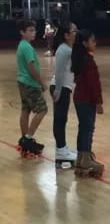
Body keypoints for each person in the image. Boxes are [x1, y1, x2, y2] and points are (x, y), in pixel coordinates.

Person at [71, 29, 104, 177]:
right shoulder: (88, 61)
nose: (95, 43)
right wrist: (98, 102)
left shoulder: (79, 59)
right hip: (86, 99)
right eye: (92, 40)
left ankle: (81, 158)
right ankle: (85, 160)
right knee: (88, 129)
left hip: (79, 98)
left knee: (83, 128)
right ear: (85, 43)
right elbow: (93, 84)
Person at [16, 19, 48, 156]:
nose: (33, 33)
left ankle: (24, 139)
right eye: (30, 30)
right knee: (42, 109)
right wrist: (41, 83)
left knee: (26, 109)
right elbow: (32, 68)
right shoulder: (27, 47)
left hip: (22, 82)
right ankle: (28, 139)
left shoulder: (22, 45)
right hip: (30, 83)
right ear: (22, 32)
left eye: (34, 30)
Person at [50, 21, 78, 166]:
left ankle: (63, 147)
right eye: (74, 31)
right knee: (60, 119)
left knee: (62, 119)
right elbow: (59, 71)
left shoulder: (68, 48)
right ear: (66, 35)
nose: (76, 33)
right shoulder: (63, 49)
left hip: (65, 87)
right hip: (60, 87)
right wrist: (58, 90)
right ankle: (61, 150)